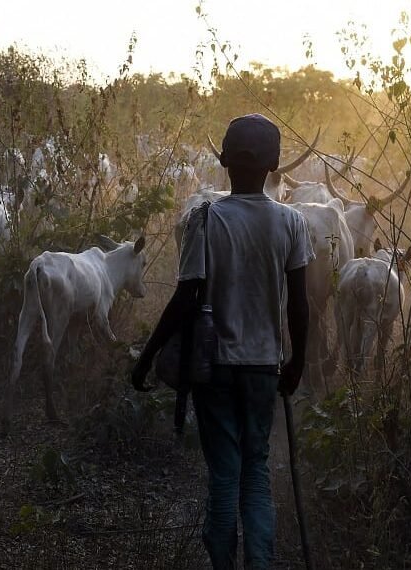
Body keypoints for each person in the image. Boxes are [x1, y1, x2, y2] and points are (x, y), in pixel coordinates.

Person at [130, 114, 314, 569]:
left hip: (215, 369)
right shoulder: (292, 223)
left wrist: (148, 356)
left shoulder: (205, 220)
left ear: (223, 161)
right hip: (262, 369)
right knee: (256, 471)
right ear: (275, 165)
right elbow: (300, 304)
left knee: (224, 474)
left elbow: (185, 296)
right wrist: (297, 362)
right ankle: (260, 562)